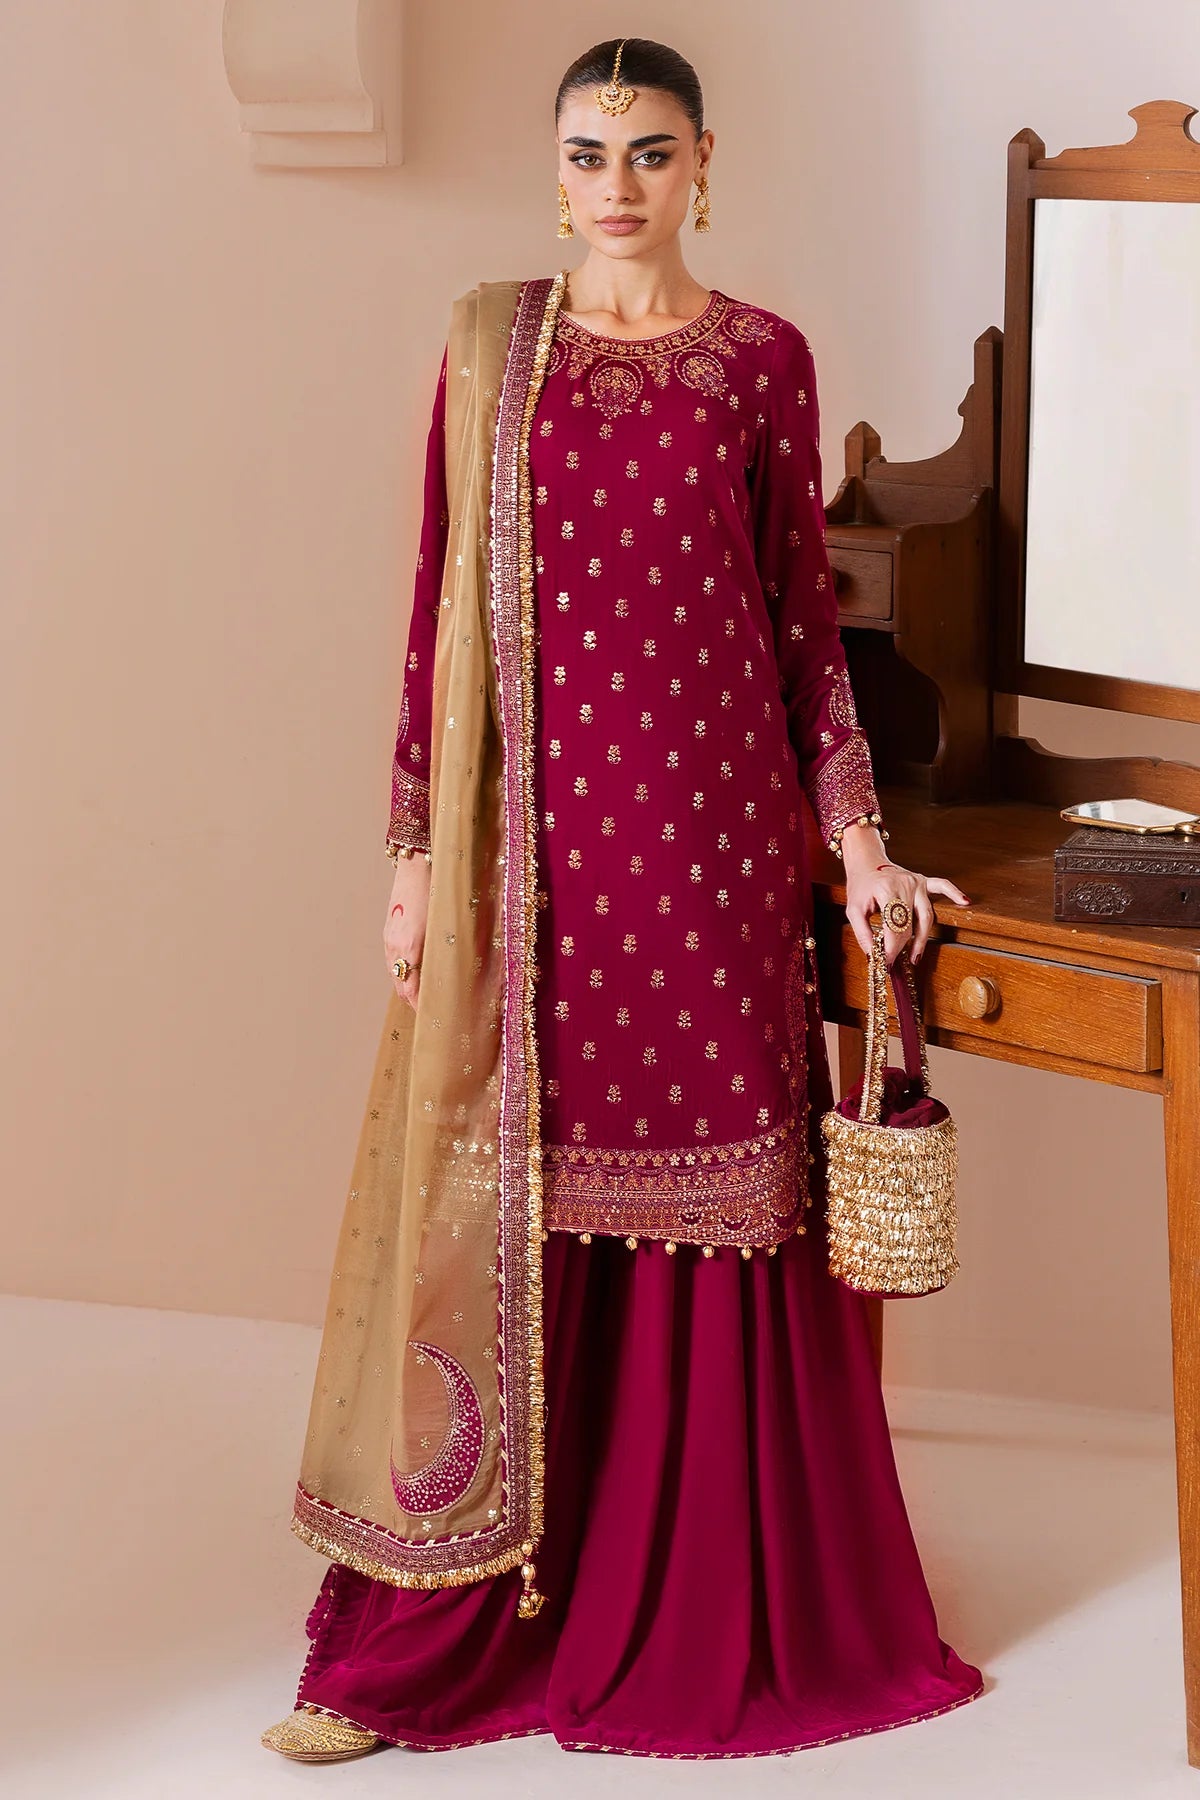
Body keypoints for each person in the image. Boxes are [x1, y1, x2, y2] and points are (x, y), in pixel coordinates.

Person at [261, 35, 981, 1766]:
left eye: (650, 153)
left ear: (704, 164)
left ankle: (706, 1609)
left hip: (720, 862)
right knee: (519, 1212)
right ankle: (451, 1619)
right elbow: (439, 613)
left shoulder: (763, 363)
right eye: (588, 154)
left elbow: (808, 637)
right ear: (556, 169)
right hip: (543, 864)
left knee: (718, 1210)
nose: (618, 185)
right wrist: (418, 855)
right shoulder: (489, 353)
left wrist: (860, 846)